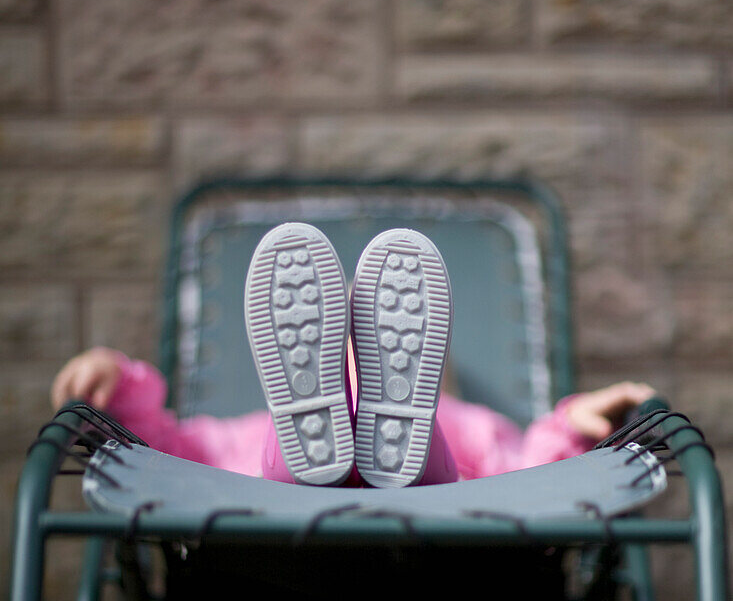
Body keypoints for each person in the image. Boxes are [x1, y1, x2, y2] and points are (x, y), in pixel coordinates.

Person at [51, 223, 655, 489]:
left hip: (279, 529)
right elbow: (531, 473)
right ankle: (384, 457)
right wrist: (118, 384)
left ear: (435, 371)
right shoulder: (472, 425)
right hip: (430, 523)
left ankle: (360, 453)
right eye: (350, 340)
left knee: (286, 465)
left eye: (381, 346)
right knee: (438, 471)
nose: (362, 357)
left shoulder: (464, 418)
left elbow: (173, 452)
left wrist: (569, 423)